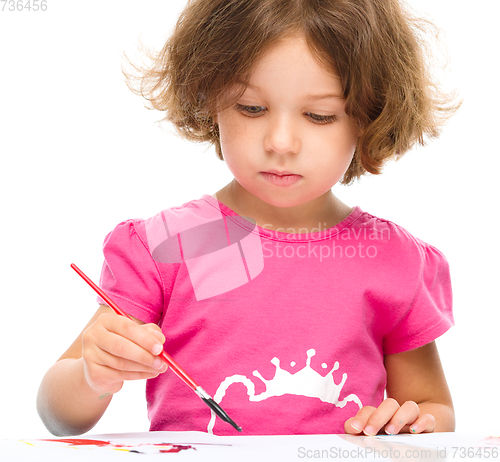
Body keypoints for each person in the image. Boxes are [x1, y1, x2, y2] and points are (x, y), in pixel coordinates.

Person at [37, 0, 461, 437]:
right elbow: (58, 414)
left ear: (371, 116)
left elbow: (433, 409)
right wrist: (94, 375)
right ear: (208, 98)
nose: (280, 142)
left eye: (319, 115)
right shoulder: (173, 243)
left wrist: (411, 424)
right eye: (251, 108)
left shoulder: (391, 260)